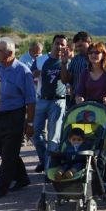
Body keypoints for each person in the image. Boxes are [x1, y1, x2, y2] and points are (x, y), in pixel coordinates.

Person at [0, 37, 35, 199]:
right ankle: (22, 178)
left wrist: (30, 122)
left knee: (9, 154)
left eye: (0, 51)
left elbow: (31, 99)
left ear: (9, 53)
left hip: (15, 116)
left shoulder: (23, 71)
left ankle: (2, 186)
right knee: (4, 152)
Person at [74, 42, 106, 184]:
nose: (94, 55)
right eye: (91, 53)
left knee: (105, 147)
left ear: (103, 55)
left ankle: (105, 178)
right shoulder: (85, 72)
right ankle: (86, 176)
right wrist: (79, 99)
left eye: (97, 52)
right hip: (89, 114)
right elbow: (79, 91)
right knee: (87, 145)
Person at [31, 34, 69, 172]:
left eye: (62, 44)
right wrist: (34, 74)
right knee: (35, 134)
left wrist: (64, 63)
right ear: (52, 44)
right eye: (57, 43)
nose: (59, 46)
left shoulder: (66, 61)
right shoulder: (41, 60)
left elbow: (65, 80)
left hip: (58, 101)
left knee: (53, 137)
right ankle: (45, 160)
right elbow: (31, 75)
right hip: (41, 100)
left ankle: (49, 170)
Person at [62, 31, 92, 100]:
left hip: (94, 98)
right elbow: (65, 80)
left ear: (89, 43)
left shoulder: (99, 59)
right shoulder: (75, 60)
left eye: (81, 46)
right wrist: (64, 63)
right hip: (77, 99)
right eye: (77, 47)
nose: (78, 49)